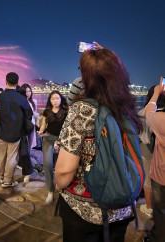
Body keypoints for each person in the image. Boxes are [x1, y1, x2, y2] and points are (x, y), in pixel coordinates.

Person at [55, 48, 142, 242]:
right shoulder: (127, 109)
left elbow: (64, 171)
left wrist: (58, 185)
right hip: (122, 207)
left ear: (87, 78)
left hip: (83, 212)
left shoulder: (82, 110)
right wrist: (108, 60)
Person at [0, 72, 33, 188]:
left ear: (6, 82)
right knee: (11, 157)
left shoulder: (0, 95)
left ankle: (0, 177)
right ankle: (7, 181)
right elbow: (29, 114)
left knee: (1, 156)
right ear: (17, 83)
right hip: (15, 133)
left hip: (0, 131)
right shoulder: (21, 98)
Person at [144, 78, 165, 242]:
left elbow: (148, 111)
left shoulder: (160, 119)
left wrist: (157, 93)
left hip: (161, 175)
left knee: (161, 214)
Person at [39, 90, 68, 204]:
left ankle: (61, 187)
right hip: (48, 139)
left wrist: (60, 140)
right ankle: (50, 190)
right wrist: (40, 132)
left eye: (57, 98)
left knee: (62, 166)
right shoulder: (47, 111)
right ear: (50, 100)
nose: (55, 101)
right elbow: (43, 125)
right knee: (47, 164)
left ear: (61, 99)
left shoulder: (65, 111)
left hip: (61, 140)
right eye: (53, 99)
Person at [18, 84, 38, 183]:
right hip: (25, 127)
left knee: (29, 146)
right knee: (24, 147)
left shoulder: (34, 101)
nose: (28, 93)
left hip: (32, 126)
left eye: (29, 91)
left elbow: (35, 114)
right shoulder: (22, 102)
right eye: (26, 91)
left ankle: (24, 163)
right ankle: (24, 164)